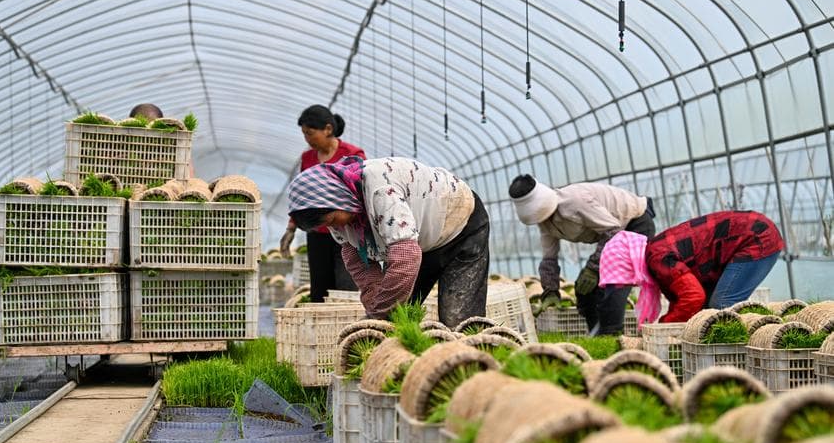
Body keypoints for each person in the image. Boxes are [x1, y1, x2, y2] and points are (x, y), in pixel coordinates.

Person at [287, 156, 489, 327]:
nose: (336, 227)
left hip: (460, 225)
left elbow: (405, 259)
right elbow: (359, 263)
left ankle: (476, 367)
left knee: (458, 319)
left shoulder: (379, 191)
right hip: (420, 242)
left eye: (332, 219)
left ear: (337, 197)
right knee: (399, 315)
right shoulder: (340, 217)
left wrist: (377, 313)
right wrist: (375, 307)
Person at [508, 175, 655, 335]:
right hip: (613, 235)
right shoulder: (546, 224)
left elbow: (613, 231)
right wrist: (551, 290)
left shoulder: (575, 202)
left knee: (615, 283)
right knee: (585, 290)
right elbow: (549, 259)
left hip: (634, 224)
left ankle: (611, 334)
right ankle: (596, 333)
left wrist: (592, 269)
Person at [599, 210, 784, 324]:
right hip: (750, 234)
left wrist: (666, 326)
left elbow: (693, 297)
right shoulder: (654, 252)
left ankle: (732, 360)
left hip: (756, 238)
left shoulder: (657, 258)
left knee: (721, 306)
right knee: (707, 310)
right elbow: (683, 296)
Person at [279, 105, 365, 302]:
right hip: (318, 232)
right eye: (304, 134)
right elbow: (303, 194)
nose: (307, 139)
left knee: (348, 286)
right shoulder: (307, 158)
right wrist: (291, 228)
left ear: (327, 129)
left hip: (347, 232)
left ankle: (349, 328)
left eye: (310, 133)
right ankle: (321, 330)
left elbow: (361, 192)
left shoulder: (352, 154)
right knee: (320, 288)